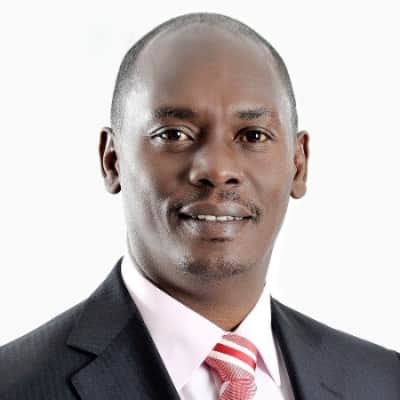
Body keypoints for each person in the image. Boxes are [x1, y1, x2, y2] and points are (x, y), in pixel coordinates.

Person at [0, 12, 399, 400]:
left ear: (299, 163)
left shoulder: (384, 381)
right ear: (112, 160)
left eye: (253, 135)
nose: (217, 169)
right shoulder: (14, 385)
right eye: (174, 134)